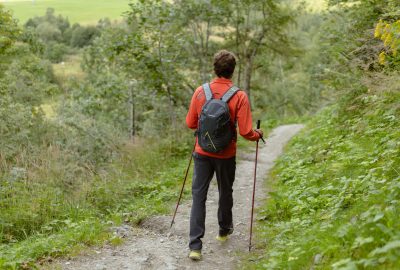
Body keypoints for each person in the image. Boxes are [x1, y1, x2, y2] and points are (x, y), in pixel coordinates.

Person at [185, 50, 263, 260]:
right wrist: (258, 135)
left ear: (214, 68)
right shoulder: (239, 96)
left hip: (202, 153)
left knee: (198, 197)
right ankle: (223, 231)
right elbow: (247, 132)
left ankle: (195, 247)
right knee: (225, 192)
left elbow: (191, 123)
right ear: (233, 71)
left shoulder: (200, 92)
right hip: (226, 154)